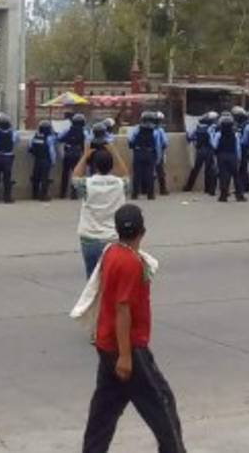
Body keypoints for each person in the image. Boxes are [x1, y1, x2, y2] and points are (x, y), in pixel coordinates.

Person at [82, 204, 187, 453]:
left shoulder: (111, 253)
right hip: (127, 349)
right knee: (161, 404)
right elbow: (123, 309)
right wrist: (126, 356)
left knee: (104, 411)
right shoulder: (130, 263)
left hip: (107, 344)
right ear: (143, 231)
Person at [72, 144, 130, 279]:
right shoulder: (120, 184)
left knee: (93, 281)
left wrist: (85, 155)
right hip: (113, 237)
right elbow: (126, 174)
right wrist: (115, 152)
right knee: (114, 280)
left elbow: (75, 176)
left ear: (94, 166)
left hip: (90, 237)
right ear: (111, 166)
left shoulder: (87, 184)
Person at [210, 113, 245, 202]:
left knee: (223, 176)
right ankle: (239, 195)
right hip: (232, 156)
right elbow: (238, 148)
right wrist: (239, 158)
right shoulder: (235, 134)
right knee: (236, 176)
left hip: (221, 156)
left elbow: (214, 145)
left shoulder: (218, 134)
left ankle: (223, 196)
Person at [127, 111, 161, 201]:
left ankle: (135, 194)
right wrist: (158, 157)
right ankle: (150, 195)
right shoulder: (155, 131)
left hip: (138, 152)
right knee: (149, 174)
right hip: (150, 153)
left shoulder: (136, 129)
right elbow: (157, 145)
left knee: (137, 174)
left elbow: (130, 140)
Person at [184, 112, 217, 195]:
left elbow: (189, 138)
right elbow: (213, 141)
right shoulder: (211, 128)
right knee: (209, 170)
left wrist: (187, 133)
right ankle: (208, 188)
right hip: (209, 151)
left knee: (195, 169)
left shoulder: (197, 129)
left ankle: (188, 187)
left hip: (200, 151)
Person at [59, 113, 88, 200]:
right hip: (77, 154)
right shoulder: (84, 132)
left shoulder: (68, 130)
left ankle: (62, 193)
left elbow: (60, 138)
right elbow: (86, 143)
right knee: (76, 174)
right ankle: (74, 193)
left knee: (65, 173)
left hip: (67, 154)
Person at [28, 120, 57, 201]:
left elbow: (30, 147)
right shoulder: (49, 138)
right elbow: (51, 151)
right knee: (44, 178)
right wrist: (53, 161)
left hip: (37, 160)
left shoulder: (35, 136)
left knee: (36, 177)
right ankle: (43, 195)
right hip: (46, 160)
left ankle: (35, 194)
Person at [232, 106, 249, 196]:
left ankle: (243, 187)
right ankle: (246, 186)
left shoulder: (242, 125)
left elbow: (243, 138)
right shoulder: (246, 123)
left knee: (241, 168)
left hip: (243, 148)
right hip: (246, 148)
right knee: (244, 168)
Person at [153, 112, 170, 195]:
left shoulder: (145, 129)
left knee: (148, 171)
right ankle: (163, 190)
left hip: (148, 152)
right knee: (160, 172)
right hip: (159, 153)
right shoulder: (160, 130)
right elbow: (165, 143)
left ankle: (146, 190)